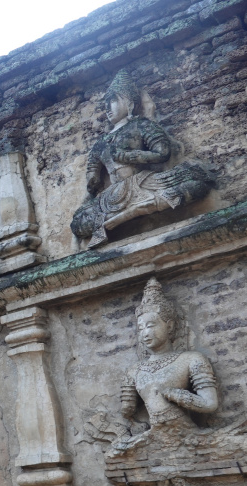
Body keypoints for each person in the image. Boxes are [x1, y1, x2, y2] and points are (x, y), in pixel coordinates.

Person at [71, 70, 213, 246]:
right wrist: (92, 179)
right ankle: (126, 213)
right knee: (77, 223)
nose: (108, 107)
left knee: (196, 182)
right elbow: (93, 177)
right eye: (106, 102)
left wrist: (128, 156)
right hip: (113, 195)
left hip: (143, 182)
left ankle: (131, 212)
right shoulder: (100, 143)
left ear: (129, 103)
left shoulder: (141, 125)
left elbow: (162, 153)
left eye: (114, 100)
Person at [109, 278, 219, 455]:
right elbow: (127, 410)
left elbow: (210, 404)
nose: (145, 333)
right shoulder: (134, 370)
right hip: (156, 436)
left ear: (170, 326)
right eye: (141, 328)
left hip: (186, 432)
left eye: (151, 325)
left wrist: (175, 394)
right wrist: (128, 414)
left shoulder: (192, 359)